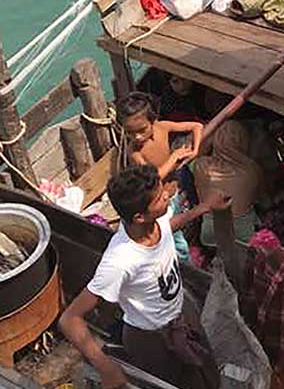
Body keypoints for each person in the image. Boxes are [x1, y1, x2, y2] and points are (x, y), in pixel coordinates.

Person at [59, 165, 228, 389]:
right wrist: (105, 367)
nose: (167, 195)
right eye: (159, 198)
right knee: (170, 383)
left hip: (181, 314)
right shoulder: (120, 261)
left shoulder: (156, 220)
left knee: (206, 370)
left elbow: (168, 226)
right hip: (151, 338)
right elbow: (69, 320)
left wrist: (204, 208)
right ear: (139, 217)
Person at [118, 92, 203, 179]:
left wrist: (195, 150)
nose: (137, 137)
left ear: (153, 121)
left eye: (142, 130)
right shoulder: (135, 153)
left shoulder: (162, 127)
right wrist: (174, 157)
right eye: (129, 132)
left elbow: (197, 126)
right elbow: (153, 178)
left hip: (175, 173)